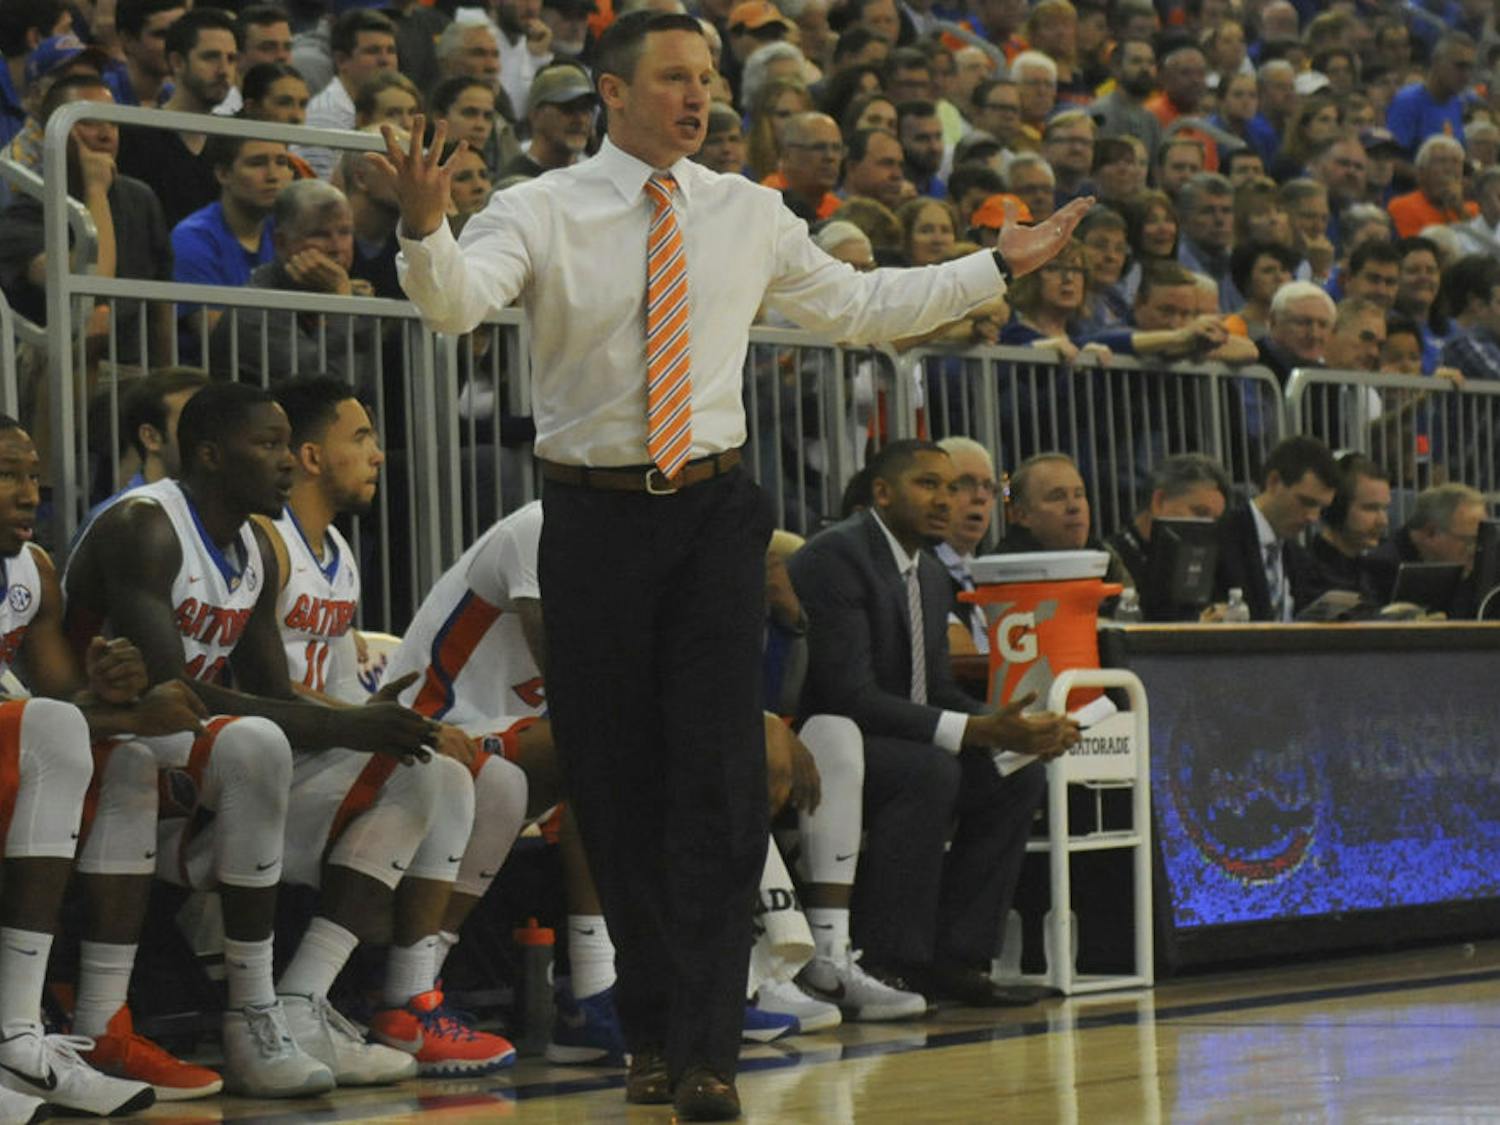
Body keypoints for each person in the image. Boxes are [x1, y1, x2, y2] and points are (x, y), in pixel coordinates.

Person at [380, 10, 1092, 1118]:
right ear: (611, 94)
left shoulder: (748, 211)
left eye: (706, 78)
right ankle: (652, 1030)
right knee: (614, 788)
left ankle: (706, 1050)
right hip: (590, 519)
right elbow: (454, 306)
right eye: (673, 77)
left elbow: (859, 308)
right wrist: (426, 230)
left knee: (717, 781)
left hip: (716, 513)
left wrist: (995, 265)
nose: (697, 96)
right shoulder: (539, 208)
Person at [63, 381, 437, 1099]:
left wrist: (370, 730)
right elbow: (175, 693)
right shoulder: (147, 526)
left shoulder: (253, 551)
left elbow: (270, 692)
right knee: (253, 743)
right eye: (266, 445)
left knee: (421, 771)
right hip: (99, 746)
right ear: (207, 453)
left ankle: (300, 1000)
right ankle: (249, 1012)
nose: (285, 463)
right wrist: (347, 724)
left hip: (181, 762)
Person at [260, 377, 518, 1078]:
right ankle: (301, 996)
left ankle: (409, 1000)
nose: (379, 455)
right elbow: (262, 686)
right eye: (361, 437)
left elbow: (342, 689)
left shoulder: (338, 551)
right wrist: (386, 725)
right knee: (431, 768)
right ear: (311, 456)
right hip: (251, 763)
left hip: (310, 759)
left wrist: (390, 721)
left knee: (480, 778)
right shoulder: (268, 540)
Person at [788, 440, 1077, 1009]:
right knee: (931, 772)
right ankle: (886, 960)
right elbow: (852, 695)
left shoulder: (931, 573)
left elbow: (936, 690)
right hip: (824, 746)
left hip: (899, 740)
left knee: (1014, 775)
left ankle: (960, 959)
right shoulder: (836, 558)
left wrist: (1006, 726)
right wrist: (976, 731)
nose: (947, 500)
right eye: (929, 485)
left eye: (956, 488)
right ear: (882, 492)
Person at [0, 413, 209, 1116]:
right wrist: (123, 712)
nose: (30, 493)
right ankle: (14, 1035)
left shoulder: (34, 571)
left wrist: (106, 691)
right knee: (86, 731)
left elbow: (61, 705)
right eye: (7, 474)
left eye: (34, 475)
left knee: (126, 763)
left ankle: (93, 1025)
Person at [115, 6, 238, 229]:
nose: (224, 70)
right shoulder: (135, 138)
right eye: (211, 57)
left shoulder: (235, 141)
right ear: (177, 62)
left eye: (231, 59)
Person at [1213, 435, 1339, 620]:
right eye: (1305, 502)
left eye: (1320, 507)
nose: (1313, 517)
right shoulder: (1221, 541)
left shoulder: (1298, 558)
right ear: (1273, 481)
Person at [1107, 453, 1231, 599]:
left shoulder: (1204, 562)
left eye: (1215, 520)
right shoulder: (1109, 564)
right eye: (1200, 513)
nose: (1208, 527)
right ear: (1159, 502)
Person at [300, 9, 400, 180]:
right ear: (341, 61)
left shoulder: (386, 104)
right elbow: (320, 188)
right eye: (373, 51)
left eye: (390, 50)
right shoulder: (326, 115)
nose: (385, 60)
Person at [1365, 482, 1488, 612]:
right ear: (1430, 533)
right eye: (1469, 541)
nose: (1475, 551)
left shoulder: (1476, 572)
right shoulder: (1382, 568)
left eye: (1481, 541)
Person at [932, 435, 998, 654]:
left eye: (988, 486)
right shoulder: (917, 571)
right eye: (966, 483)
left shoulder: (991, 577)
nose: (980, 497)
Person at [1308, 453, 1391, 603]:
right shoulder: (1307, 573)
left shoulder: (1372, 571)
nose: (1383, 521)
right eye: (1370, 508)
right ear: (1336, 508)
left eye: (1385, 509)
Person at [1385, 31, 1475, 159]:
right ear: (1436, 61)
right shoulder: (1407, 102)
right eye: (1460, 66)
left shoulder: (1458, 103)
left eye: (1470, 68)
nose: (1466, 75)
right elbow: (1390, 158)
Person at [501, 63, 596, 178]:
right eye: (568, 108)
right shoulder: (511, 184)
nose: (580, 119)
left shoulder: (595, 177)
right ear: (535, 115)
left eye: (586, 109)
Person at [1388, 136, 1479, 237]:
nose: (1449, 169)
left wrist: (1460, 210)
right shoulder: (1402, 206)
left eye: (1456, 162)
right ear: (1421, 173)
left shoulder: (1474, 210)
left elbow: (1483, 247)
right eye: (1441, 161)